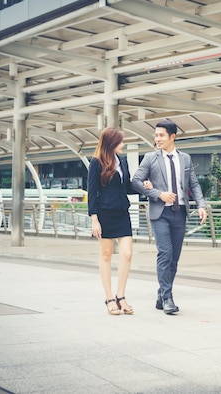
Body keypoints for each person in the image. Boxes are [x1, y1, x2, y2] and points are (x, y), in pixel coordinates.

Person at [131, 120, 207, 315]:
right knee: (164, 254)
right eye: (156, 135)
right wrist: (158, 194)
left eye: (161, 135)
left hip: (180, 213)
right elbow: (136, 181)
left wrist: (201, 205)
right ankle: (167, 298)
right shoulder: (150, 158)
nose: (157, 139)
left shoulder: (186, 159)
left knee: (174, 259)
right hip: (160, 213)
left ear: (173, 136)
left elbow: (194, 184)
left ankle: (161, 293)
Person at [88, 127, 151, 315]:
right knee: (106, 255)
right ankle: (109, 298)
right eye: (120, 142)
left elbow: (127, 187)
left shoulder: (121, 161)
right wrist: (94, 220)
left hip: (122, 213)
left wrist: (144, 187)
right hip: (104, 214)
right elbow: (92, 192)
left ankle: (120, 295)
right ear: (111, 143)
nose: (122, 145)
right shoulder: (96, 162)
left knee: (127, 253)